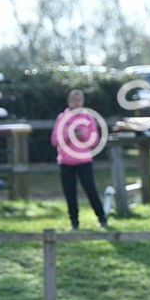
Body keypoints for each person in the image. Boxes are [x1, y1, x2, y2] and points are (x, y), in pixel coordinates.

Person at [52, 90, 108, 230]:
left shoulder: (88, 118)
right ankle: (74, 222)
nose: (77, 103)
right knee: (70, 193)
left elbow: (94, 140)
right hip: (66, 162)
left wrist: (83, 136)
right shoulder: (62, 118)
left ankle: (102, 218)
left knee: (91, 190)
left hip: (84, 161)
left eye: (79, 100)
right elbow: (54, 140)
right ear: (69, 101)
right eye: (74, 100)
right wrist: (70, 135)